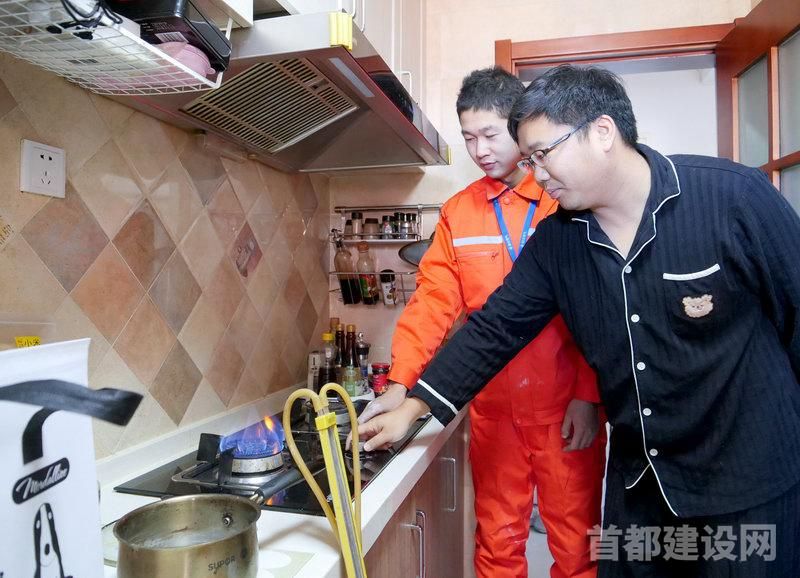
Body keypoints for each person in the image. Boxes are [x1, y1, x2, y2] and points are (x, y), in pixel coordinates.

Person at [359, 65, 800, 577]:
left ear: (602, 131)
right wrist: (414, 403)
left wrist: (585, 398)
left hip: (746, 487)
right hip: (642, 490)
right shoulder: (559, 240)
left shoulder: (733, 198)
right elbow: (494, 328)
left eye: (543, 154)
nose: (538, 172)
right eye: (530, 159)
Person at [358, 67, 607, 578]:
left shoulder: (565, 200)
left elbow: (597, 307)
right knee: (497, 543)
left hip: (565, 407)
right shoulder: (459, 212)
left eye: (490, 135)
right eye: (469, 138)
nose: (480, 151)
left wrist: (588, 396)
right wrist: (401, 382)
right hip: (493, 409)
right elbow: (433, 302)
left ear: (519, 127)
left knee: (578, 548)